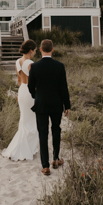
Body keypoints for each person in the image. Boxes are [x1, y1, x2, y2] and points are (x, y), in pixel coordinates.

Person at [28, 39, 71, 176]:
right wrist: (67, 105)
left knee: (43, 133)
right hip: (57, 103)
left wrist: (37, 95)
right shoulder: (59, 66)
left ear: (40, 50)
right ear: (52, 50)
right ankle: (56, 159)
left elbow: (30, 86)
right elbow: (64, 88)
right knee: (56, 130)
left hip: (41, 104)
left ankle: (45, 166)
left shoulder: (34, 67)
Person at [1, 40, 39, 161]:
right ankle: (29, 149)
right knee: (32, 121)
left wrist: (19, 94)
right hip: (30, 92)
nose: (35, 53)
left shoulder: (17, 62)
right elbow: (35, 82)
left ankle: (24, 147)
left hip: (22, 90)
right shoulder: (30, 63)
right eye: (35, 50)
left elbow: (18, 80)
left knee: (24, 120)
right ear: (31, 50)